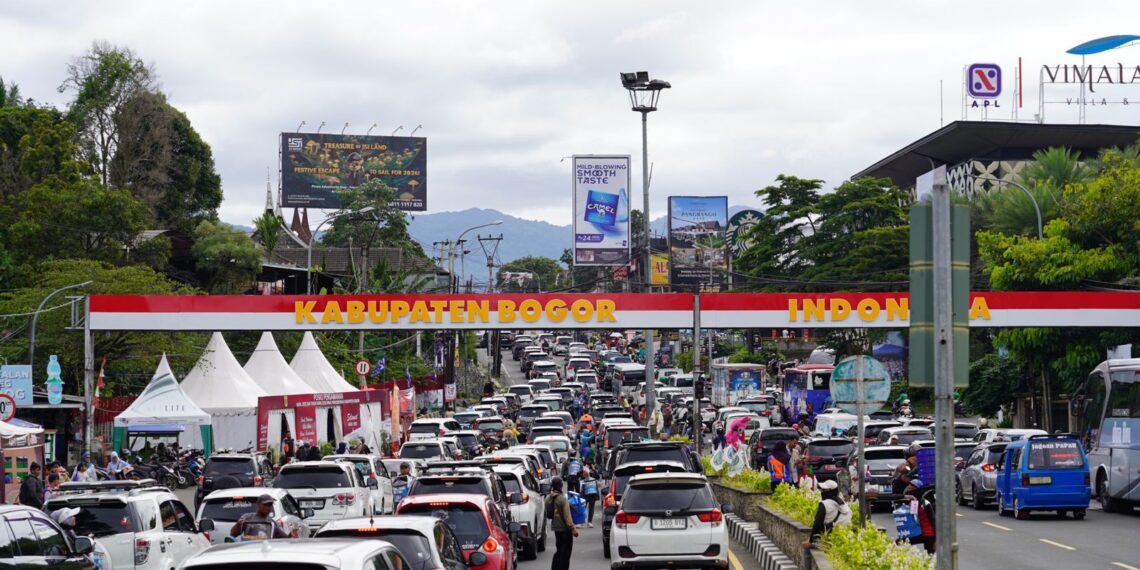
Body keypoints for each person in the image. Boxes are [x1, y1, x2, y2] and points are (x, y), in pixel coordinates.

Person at [544, 477, 577, 570]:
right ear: (561, 486)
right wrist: (573, 529)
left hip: (556, 528)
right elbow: (567, 516)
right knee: (565, 553)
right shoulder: (562, 499)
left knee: (559, 550)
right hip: (565, 529)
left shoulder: (548, 498)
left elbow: (549, 514)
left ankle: (555, 567)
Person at [807, 480, 852, 545]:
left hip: (829, 540)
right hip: (845, 538)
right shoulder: (844, 504)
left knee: (807, 551)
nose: (822, 492)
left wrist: (811, 542)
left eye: (824, 490)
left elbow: (817, 524)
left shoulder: (824, 504)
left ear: (831, 491)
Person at [579, 463, 599, 529]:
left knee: (591, 507)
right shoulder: (582, 472)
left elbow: (598, 477)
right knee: (582, 507)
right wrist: (583, 470)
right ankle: (581, 522)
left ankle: (589, 522)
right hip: (585, 492)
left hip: (592, 492)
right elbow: (579, 476)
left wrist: (593, 469)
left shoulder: (593, 472)